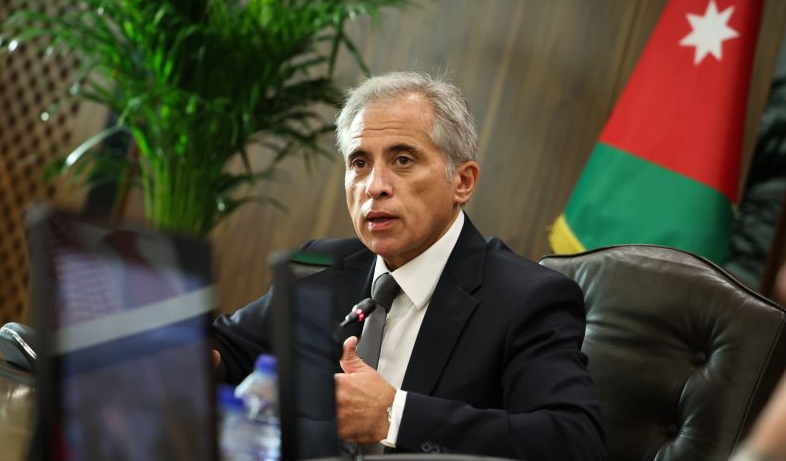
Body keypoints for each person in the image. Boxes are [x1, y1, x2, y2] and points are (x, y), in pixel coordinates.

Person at [212, 72, 605, 460]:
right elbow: (228, 348)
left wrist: (392, 415)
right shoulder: (318, 266)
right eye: (359, 163)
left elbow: (573, 441)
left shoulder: (527, 298)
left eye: (402, 160)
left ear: (463, 181)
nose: (374, 186)